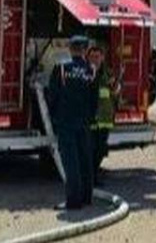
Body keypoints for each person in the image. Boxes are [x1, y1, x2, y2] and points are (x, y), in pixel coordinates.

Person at [47, 35, 97, 210]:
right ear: (84, 50)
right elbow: (94, 99)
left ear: (70, 49)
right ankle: (87, 197)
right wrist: (90, 118)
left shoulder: (61, 69)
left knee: (71, 161)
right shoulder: (91, 70)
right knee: (85, 159)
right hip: (84, 122)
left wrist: (54, 118)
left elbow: (52, 96)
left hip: (66, 122)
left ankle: (74, 201)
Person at [88, 44, 116, 184]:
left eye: (97, 57)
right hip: (90, 119)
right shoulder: (85, 73)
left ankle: (94, 175)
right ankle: (89, 177)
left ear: (103, 58)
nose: (95, 59)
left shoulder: (108, 74)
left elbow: (115, 93)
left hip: (105, 118)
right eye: (92, 57)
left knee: (100, 150)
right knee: (89, 149)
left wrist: (116, 86)